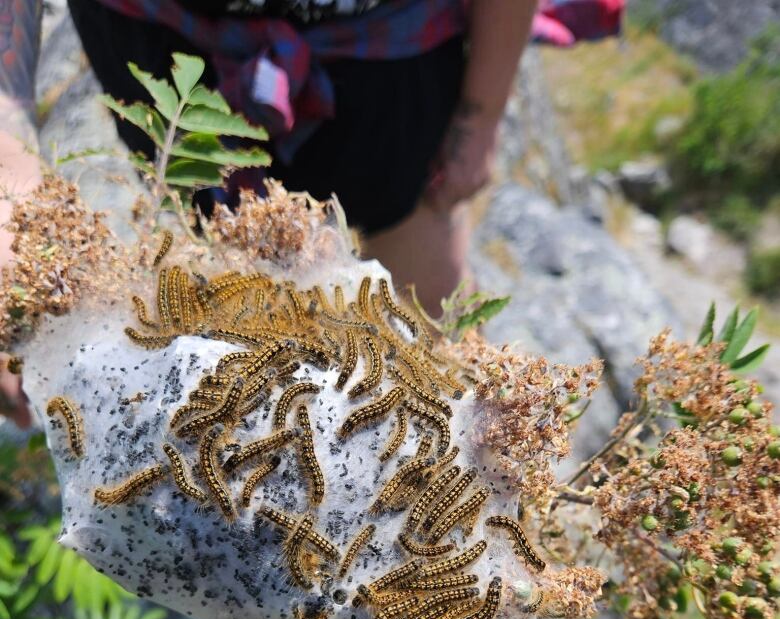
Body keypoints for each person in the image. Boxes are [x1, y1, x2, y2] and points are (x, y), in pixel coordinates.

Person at [0, 0, 624, 427]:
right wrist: (10, 180)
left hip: (381, 38)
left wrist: (479, 117)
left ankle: (457, 435)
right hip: (158, 32)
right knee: (226, 246)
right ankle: (278, 424)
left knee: (409, 226)